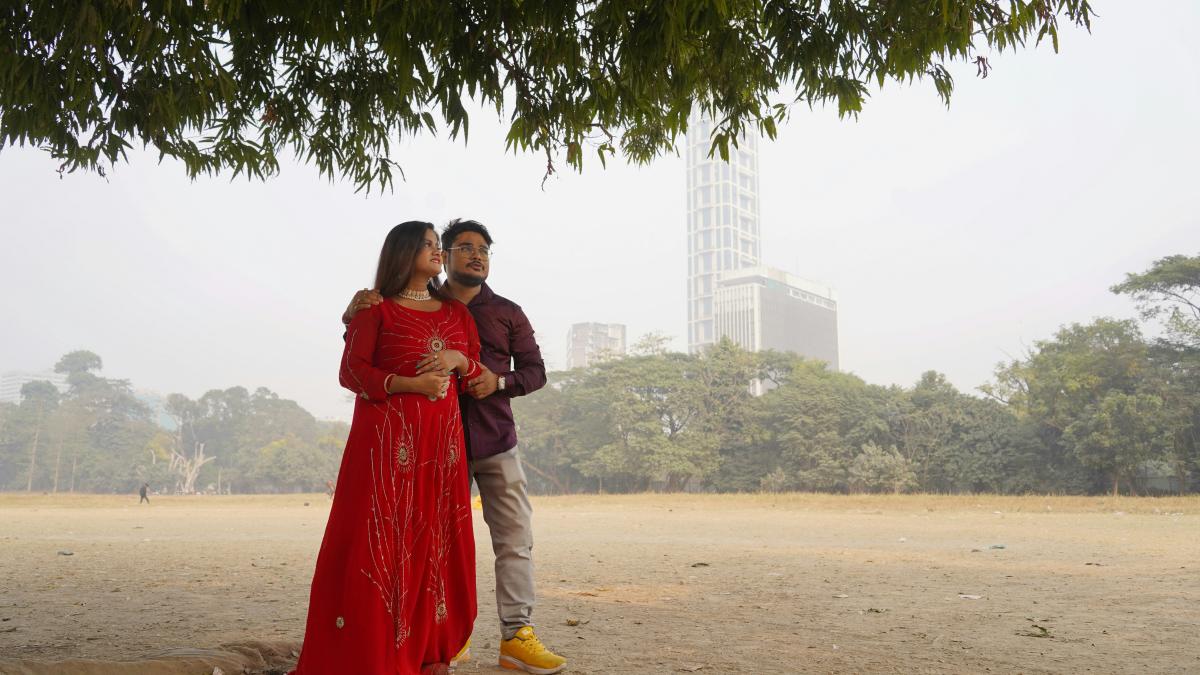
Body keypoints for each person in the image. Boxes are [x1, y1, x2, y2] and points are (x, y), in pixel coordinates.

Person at [344, 219, 566, 674]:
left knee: (514, 539)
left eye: (484, 249)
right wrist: (351, 314)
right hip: (428, 448)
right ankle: (442, 636)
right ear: (443, 255)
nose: (477, 255)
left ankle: (517, 636)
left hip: (494, 438)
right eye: (465, 247)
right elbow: (370, 351)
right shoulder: (411, 300)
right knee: (429, 541)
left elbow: (536, 372)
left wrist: (497, 381)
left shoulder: (507, 312)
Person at [294, 221, 482, 675]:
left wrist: (460, 361)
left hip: (442, 448)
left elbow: (475, 370)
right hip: (386, 446)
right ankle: (380, 650)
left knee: (437, 539)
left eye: (438, 245)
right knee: (382, 541)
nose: (437, 251)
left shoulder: (457, 315)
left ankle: (433, 649)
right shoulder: (375, 310)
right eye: (427, 244)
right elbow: (351, 372)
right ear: (402, 252)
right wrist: (411, 384)